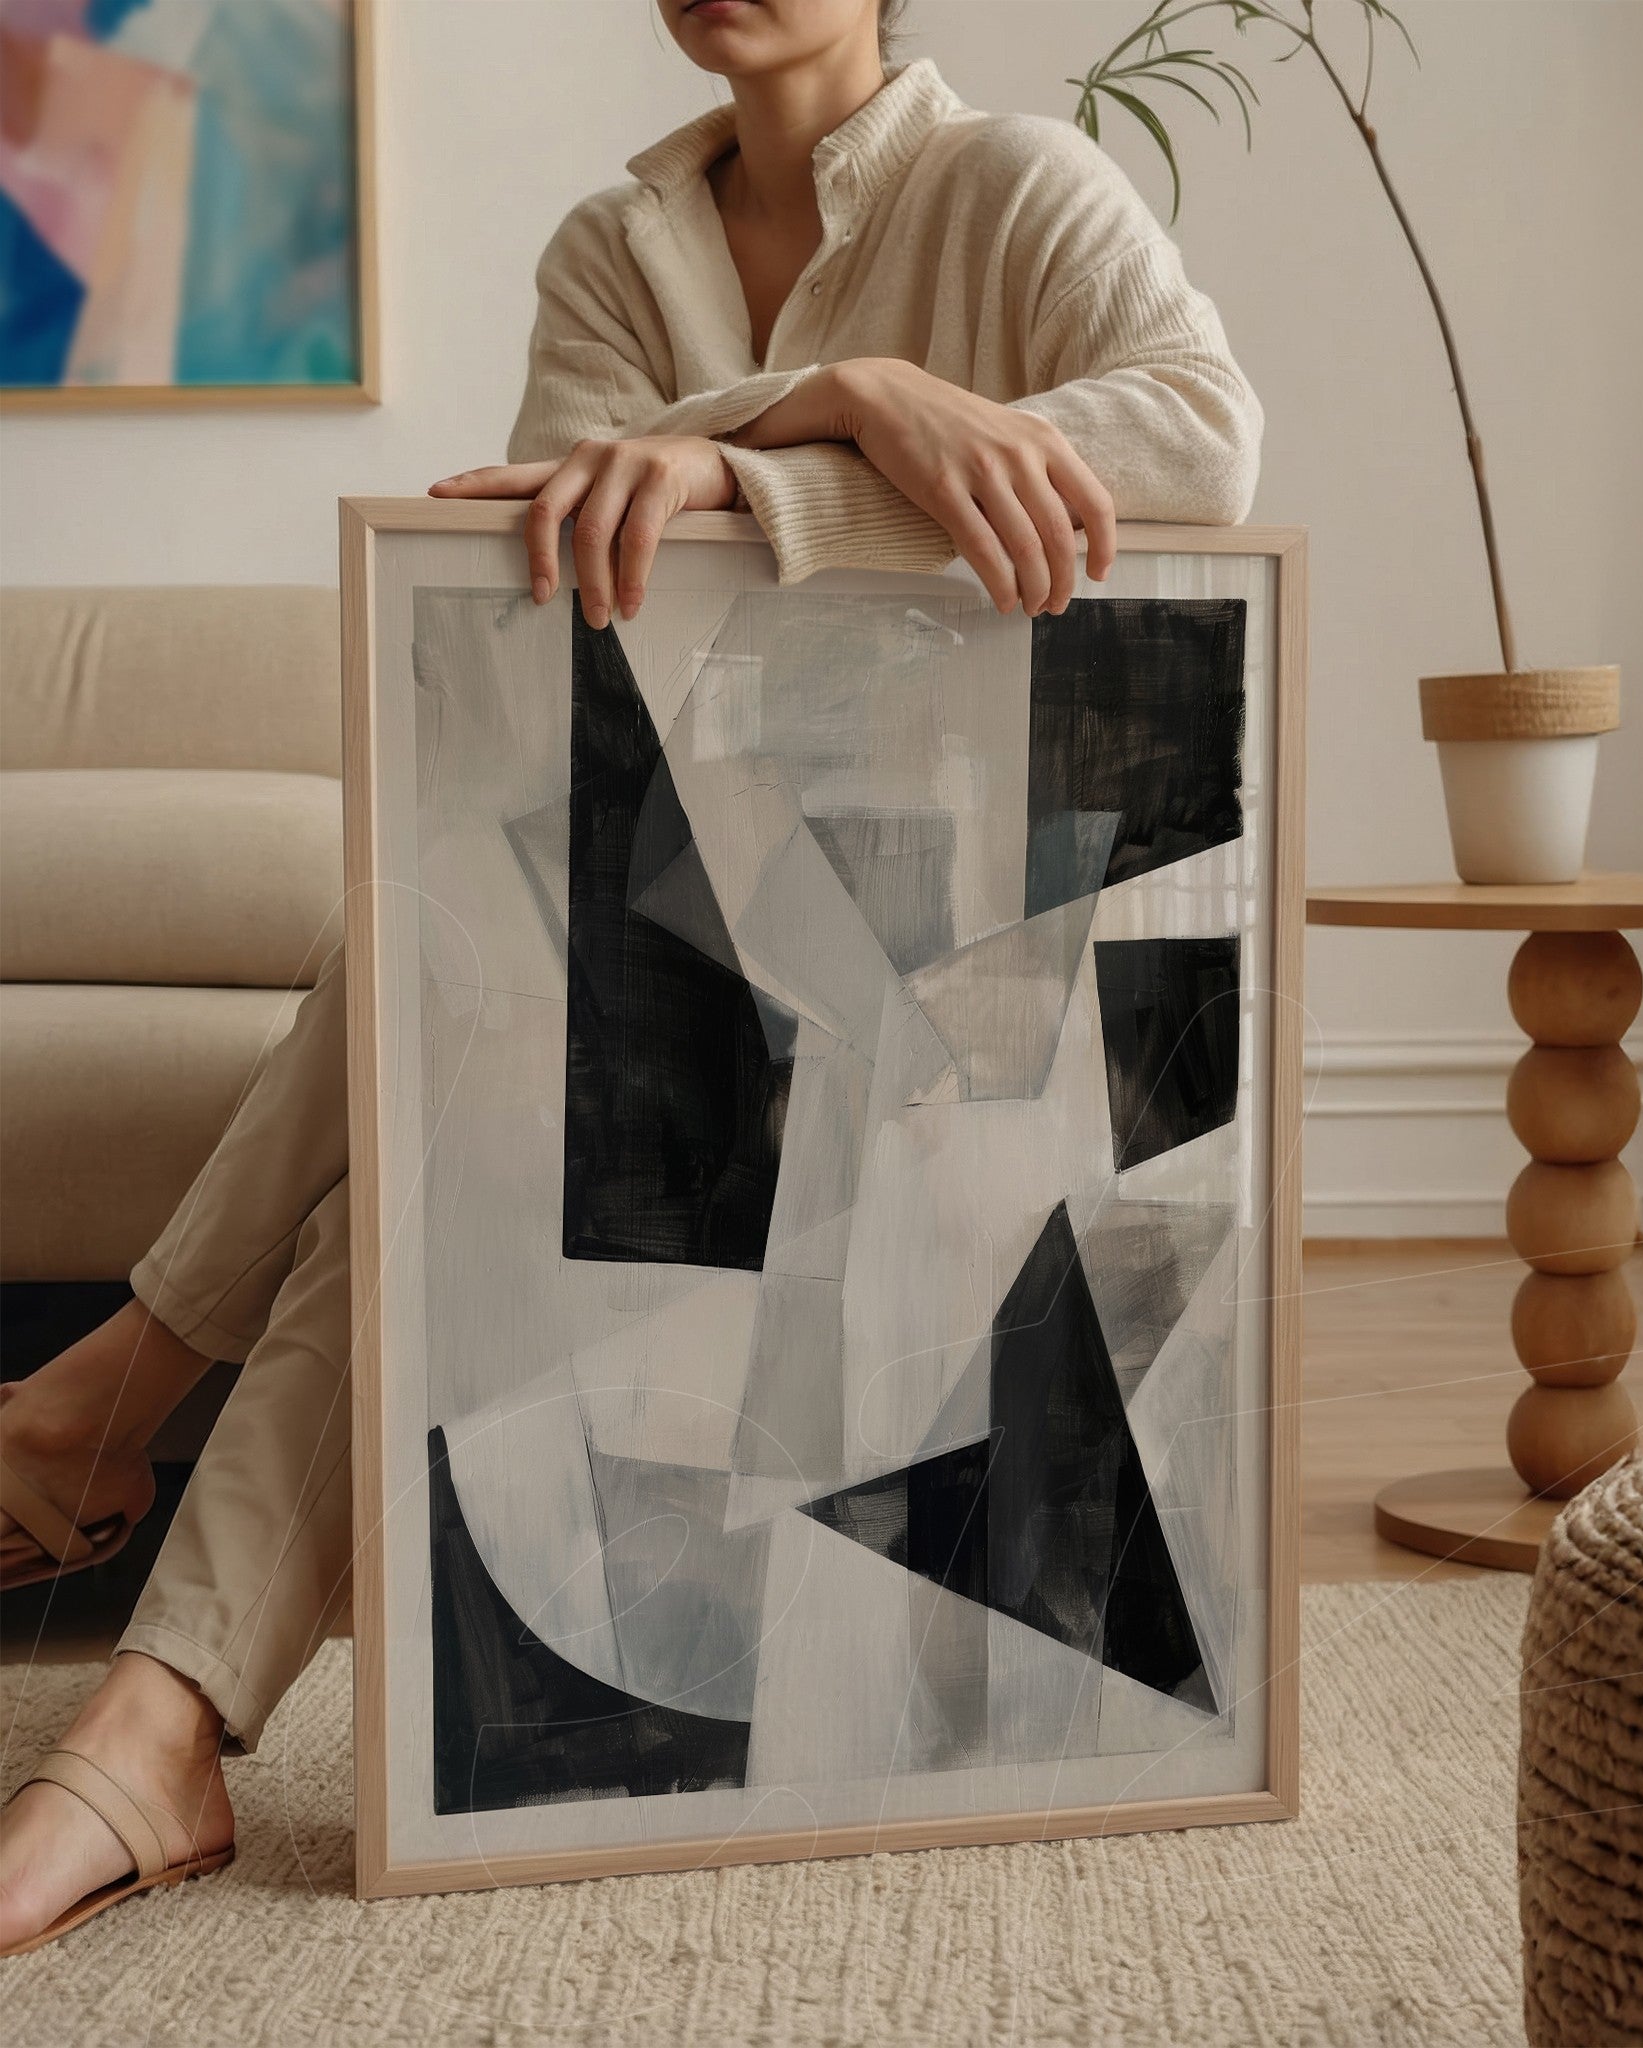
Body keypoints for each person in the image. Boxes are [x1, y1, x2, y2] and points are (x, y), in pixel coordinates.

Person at [0, 0, 1261, 1952]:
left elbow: (1199, 435)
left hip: (949, 964)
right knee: (474, 958)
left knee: (456, 936)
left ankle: (121, 1416)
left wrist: (786, 445)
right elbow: (534, 558)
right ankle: (158, 1715)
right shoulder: (614, 244)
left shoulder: (1014, 184)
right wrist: (849, 397)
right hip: (663, 939)